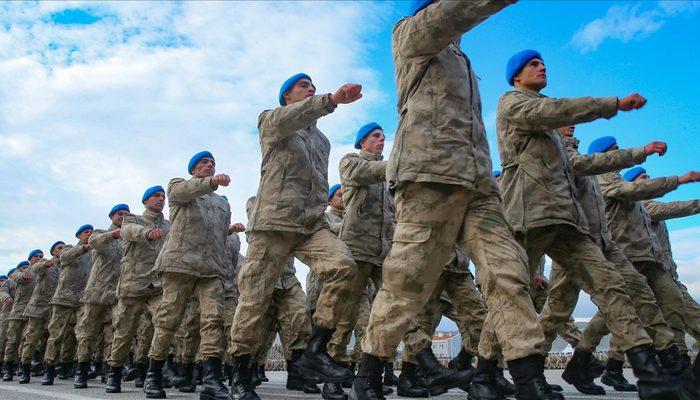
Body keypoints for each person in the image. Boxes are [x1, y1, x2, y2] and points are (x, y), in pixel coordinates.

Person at [352, 2, 556, 400]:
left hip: (478, 186)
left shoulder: (463, 62)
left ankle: (527, 376)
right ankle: (369, 373)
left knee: (509, 271)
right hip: (429, 176)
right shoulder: (412, 35)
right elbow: (452, 14)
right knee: (406, 281)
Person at [497, 48, 679, 400]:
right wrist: (613, 104)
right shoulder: (512, 103)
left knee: (613, 286)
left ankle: (650, 374)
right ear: (516, 75)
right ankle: (490, 370)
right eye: (533, 63)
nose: (542, 66)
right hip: (527, 219)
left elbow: (589, 163)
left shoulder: (560, 141)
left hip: (569, 225)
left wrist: (639, 151)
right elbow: (555, 112)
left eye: (542, 62)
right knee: (512, 297)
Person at [228, 73, 362, 400]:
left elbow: (318, 184)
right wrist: (330, 100)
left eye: (314, 87)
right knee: (255, 299)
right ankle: (240, 374)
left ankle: (315, 350)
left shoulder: (322, 141)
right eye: (304, 86)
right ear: (287, 96)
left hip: (310, 223)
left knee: (344, 266)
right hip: (273, 222)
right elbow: (295, 117)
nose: (311, 89)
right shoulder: (272, 122)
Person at [145, 151, 231, 400]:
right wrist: (210, 183)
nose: (210, 165)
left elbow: (220, 235)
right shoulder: (178, 185)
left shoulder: (222, 203)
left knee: (213, 321)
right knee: (168, 320)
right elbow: (179, 194)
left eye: (213, 164)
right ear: (193, 169)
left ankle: (212, 379)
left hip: (211, 270)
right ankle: (154, 374)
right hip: (180, 265)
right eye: (204, 162)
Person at [105, 186, 169, 393]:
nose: (160, 199)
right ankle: (114, 372)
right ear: (145, 201)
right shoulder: (132, 219)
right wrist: (148, 233)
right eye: (155, 196)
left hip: (157, 286)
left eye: (163, 196)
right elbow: (128, 231)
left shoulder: (168, 225)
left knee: (165, 324)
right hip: (133, 285)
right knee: (124, 332)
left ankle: (153, 374)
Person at [74, 204, 129, 388]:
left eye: (126, 214)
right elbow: (94, 243)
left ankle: (110, 371)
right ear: (111, 217)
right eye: (120, 214)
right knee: (88, 333)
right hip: (96, 291)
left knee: (115, 332)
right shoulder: (99, 233)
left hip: (117, 293)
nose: (123, 216)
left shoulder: (128, 237)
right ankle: (81, 370)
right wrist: (111, 235)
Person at [43, 224, 94, 385]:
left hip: (82, 299)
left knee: (83, 334)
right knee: (56, 335)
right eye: (86, 232)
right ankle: (49, 369)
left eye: (92, 232)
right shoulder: (68, 249)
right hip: (64, 298)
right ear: (79, 235)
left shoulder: (93, 253)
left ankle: (81, 370)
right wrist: (84, 248)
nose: (90, 234)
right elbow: (65, 257)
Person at [18, 242, 63, 384]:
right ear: (53, 251)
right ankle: (25, 369)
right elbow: (36, 268)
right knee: (31, 340)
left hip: (54, 307)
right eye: (59, 248)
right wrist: (44, 264)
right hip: (38, 306)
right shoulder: (45, 262)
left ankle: (48, 369)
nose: (62, 251)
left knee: (51, 339)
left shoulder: (65, 265)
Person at [2, 257, 38, 381]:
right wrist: (6, 298)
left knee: (28, 340)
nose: (38, 258)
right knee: (12, 341)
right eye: (36, 257)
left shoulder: (39, 275)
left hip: (32, 312)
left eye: (40, 256)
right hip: (17, 312)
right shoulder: (14, 278)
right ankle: (8, 368)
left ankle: (24, 368)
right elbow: (3, 291)